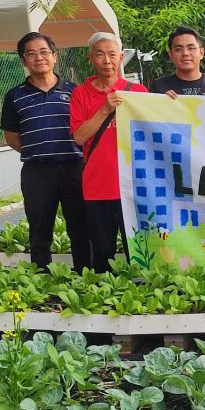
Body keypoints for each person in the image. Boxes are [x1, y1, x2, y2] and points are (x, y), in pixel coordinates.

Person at [0, 32, 91, 271]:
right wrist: (39, 151)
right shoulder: (15, 96)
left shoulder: (75, 91)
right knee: (40, 229)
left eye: (44, 52)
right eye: (31, 53)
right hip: (37, 173)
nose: (38, 58)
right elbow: (11, 137)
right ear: (23, 61)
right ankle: (41, 277)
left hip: (75, 168)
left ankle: (86, 274)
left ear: (55, 56)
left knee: (80, 226)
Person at [70, 32, 149, 273]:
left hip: (133, 187)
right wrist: (105, 108)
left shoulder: (138, 91)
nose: (107, 60)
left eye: (112, 54)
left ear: (121, 58)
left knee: (138, 251)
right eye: (100, 54)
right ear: (91, 58)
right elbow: (79, 137)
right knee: (102, 253)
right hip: (97, 187)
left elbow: (155, 130)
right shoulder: (80, 94)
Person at [149, 26, 205, 98]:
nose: (185, 53)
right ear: (171, 55)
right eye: (178, 49)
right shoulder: (159, 87)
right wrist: (161, 102)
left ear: (201, 53)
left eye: (191, 48)